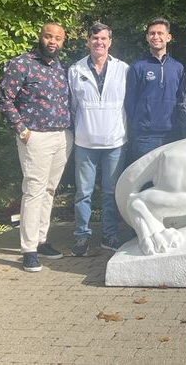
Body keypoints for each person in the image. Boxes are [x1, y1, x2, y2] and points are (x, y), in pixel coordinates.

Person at [0, 22, 73, 272]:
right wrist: (21, 129)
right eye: (49, 37)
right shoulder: (21, 63)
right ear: (40, 37)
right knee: (34, 191)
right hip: (35, 136)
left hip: (61, 136)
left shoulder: (60, 67)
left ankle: (41, 240)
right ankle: (28, 249)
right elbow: (3, 98)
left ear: (63, 42)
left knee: (50, 191)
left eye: (58, 38)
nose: (53, 42)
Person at [69, 22, 128, 256]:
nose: (99, 42)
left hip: (115, 141)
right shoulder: (76, 70)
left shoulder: (123, 69)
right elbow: (73, 106)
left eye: (104, 39)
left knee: (111, 192)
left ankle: (109, 236)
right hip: (85, 142)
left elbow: (128, 104)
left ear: (110, 42)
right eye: (95, 38)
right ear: (88, 41)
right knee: (83, 193)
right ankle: (81, 237)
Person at [125, 18, 185, 163]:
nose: (156, 37)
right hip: (144, 136)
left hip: (171, 134)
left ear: (168, 37)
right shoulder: (138, 67)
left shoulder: (178, 68)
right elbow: (130, 102)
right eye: (152, 33)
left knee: (169, 180)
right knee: (144, 182)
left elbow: (181, 100)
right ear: (147, 37)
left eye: (160, 33)